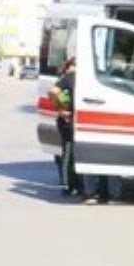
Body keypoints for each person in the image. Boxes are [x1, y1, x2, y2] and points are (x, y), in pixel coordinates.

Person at [50, 57, 80, 195]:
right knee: (68, 154)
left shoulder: (69, 76)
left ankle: (72, 184)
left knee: (70, 154)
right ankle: (67, 185)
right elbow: (53, 92)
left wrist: (60, 108)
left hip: (71, 120)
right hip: (68, 122)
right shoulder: (70, 77)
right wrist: (61, 109)